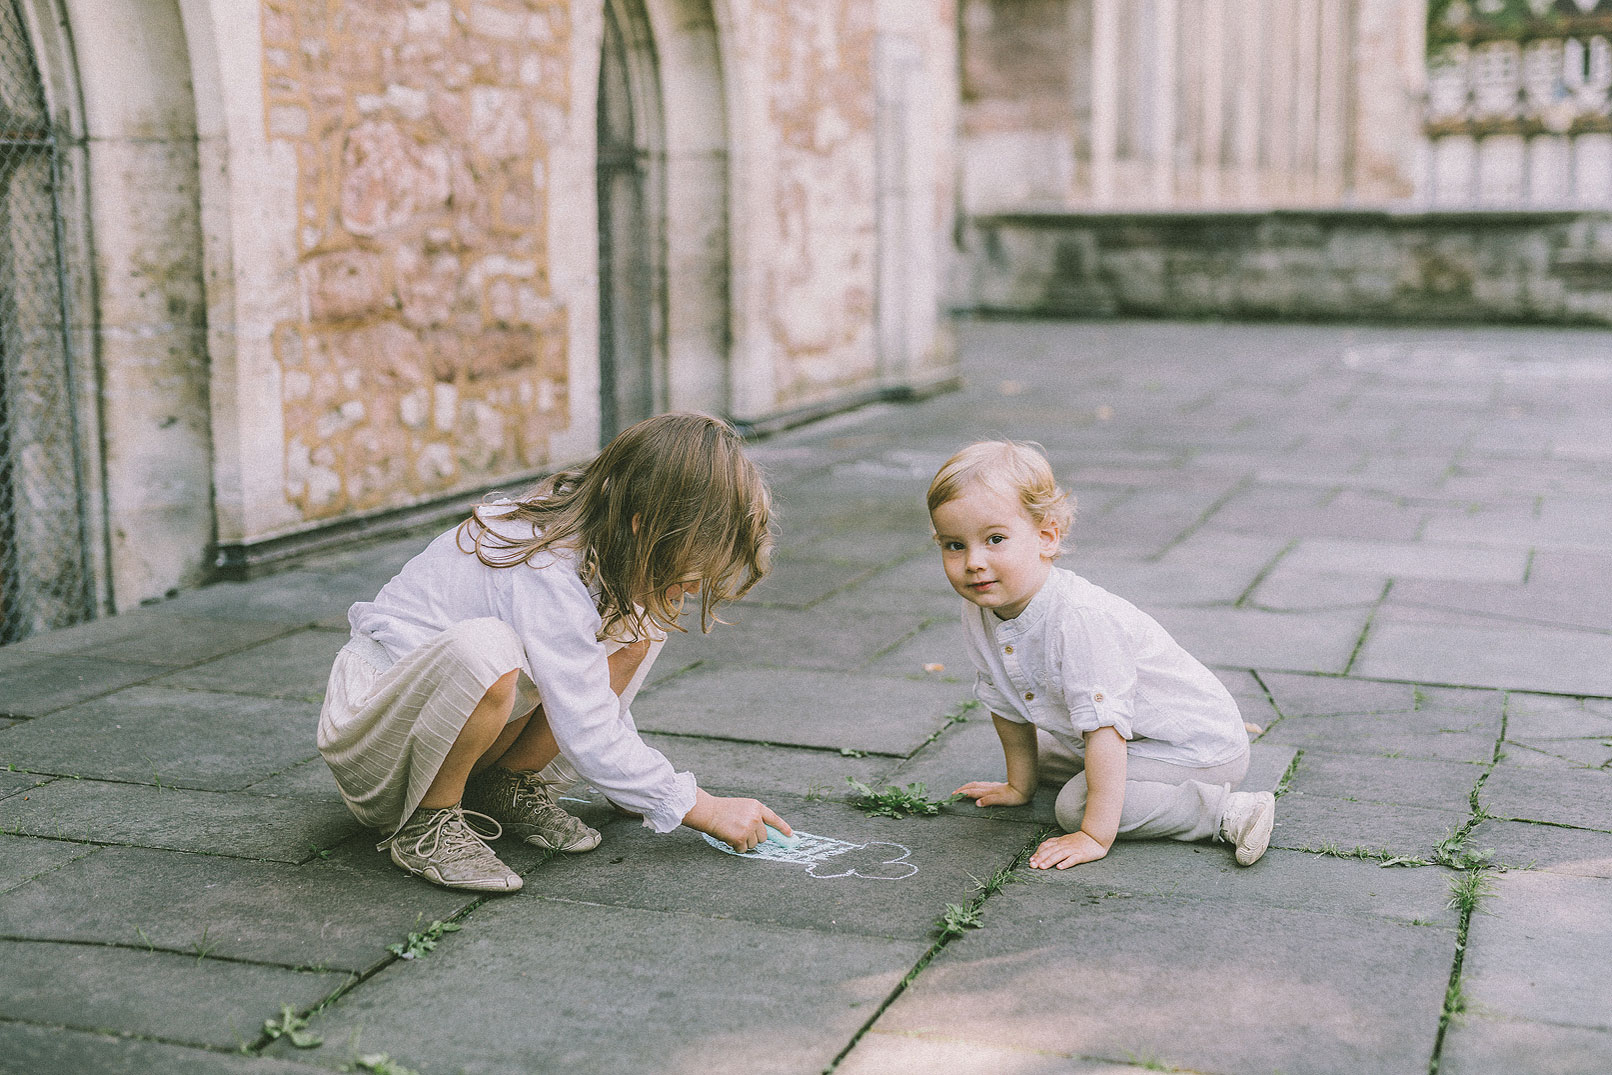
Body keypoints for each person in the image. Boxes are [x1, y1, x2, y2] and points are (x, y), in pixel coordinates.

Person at [317, 413, 791, 892]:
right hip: (381, 754)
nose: (690, 586)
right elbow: (586, 725)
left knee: (637, 627)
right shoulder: (544, 568)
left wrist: (644, 787)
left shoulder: (596, 544)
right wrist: (695, 806)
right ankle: (428, 823)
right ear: (640, 526)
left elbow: (587, 694)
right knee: (487, 649)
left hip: (441, 735)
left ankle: (502, 787)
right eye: (689, 564)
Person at [929, 441, 1275, 869]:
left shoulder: (1078, 619)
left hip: (1195, 748)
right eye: (954, 545)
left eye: (995, 539)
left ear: (1046, 536)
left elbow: (1105, 733)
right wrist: (1019, 786)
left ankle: (1227, 812)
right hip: (1137, 738)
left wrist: (1093, 834)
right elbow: (1005, 703)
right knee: (1039, 753)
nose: (974, 562)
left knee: (1075, 806)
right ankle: (1125, 790)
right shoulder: (980, 609)